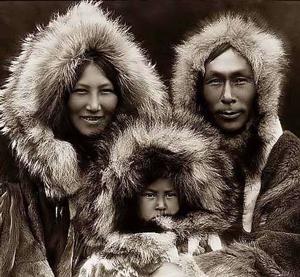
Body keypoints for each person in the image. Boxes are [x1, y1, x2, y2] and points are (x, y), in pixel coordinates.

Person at [0, 2, 168, 276]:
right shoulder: (23, 179)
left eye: (105, 91)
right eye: (81, 91)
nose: (93, 105)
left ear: (122, 97)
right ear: (61, 98)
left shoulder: (146, 174)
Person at [171, 12, 300, 275]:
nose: (227, 96)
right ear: (197, 90)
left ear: (260, 88)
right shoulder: (173, 165)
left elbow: (286, 249)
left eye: (240, 81)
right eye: (215, 81)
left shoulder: (293, 161)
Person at [74, 112, 243, 276]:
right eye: (150, 196)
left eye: (169, 195)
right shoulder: (108, 259)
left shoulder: (205, 243)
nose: (161, 204)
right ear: (132, 201)